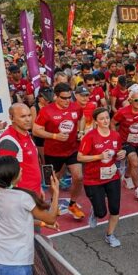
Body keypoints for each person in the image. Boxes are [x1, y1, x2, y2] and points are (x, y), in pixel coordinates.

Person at [33, 82, 85, 220]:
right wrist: (54, 136)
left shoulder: (76, 107)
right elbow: (36, 130)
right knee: (53, 181)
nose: (68, 101)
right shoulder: (46, 111)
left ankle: (72, 205)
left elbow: (82, 117)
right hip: (53, 152)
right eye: (64, 98)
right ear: (56, 96)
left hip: (72, 149)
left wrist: (81, 131)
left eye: (69, 97)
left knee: (78, 176)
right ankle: (53, 202)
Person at [79, 108, 127, 247]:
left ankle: (110, 235)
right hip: (93, 179)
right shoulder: (90, 137)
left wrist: (121, 154)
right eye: (102, 118)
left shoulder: (115, 135)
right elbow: (80, 157)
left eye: (107, 117)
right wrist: (98, 156)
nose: (105, 121)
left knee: (115, 208)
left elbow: (117, 151)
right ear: (95, 121)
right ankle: (95, 209)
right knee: (101, 213)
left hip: (112, 176)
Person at [111, 89, 138, 199]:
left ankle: (126, 176)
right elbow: (113, 123)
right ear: (130, 100)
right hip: (125, 141)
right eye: (136, 100)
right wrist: (116, 138)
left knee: (132, 164)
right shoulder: (122, 111)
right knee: (134, 161)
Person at [0, 104, 41, 195]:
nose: (28, 119)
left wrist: (39, 188)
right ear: (11, 118)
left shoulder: (26, 134)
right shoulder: (8, 141)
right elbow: (6, 175)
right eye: (23, 116)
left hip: (34, 191)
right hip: (22, 196)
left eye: (29, 115)